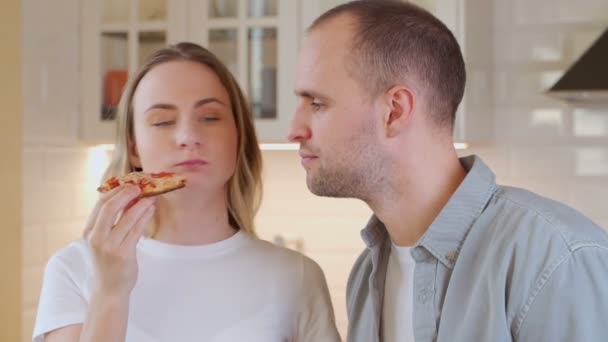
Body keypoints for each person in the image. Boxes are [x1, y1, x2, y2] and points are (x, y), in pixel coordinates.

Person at [288, 1, 608, 342]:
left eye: (317, 104)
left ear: (394, 111)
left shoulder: (554, 260)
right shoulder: (367, 274)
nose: (294, 129)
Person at [33, 42, 341, 342]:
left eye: (210, 118)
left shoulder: (297, 277)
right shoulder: (74, 269)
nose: (188, 136)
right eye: (163, 121)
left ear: (239, 136)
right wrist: (110, 294)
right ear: (134, 148)